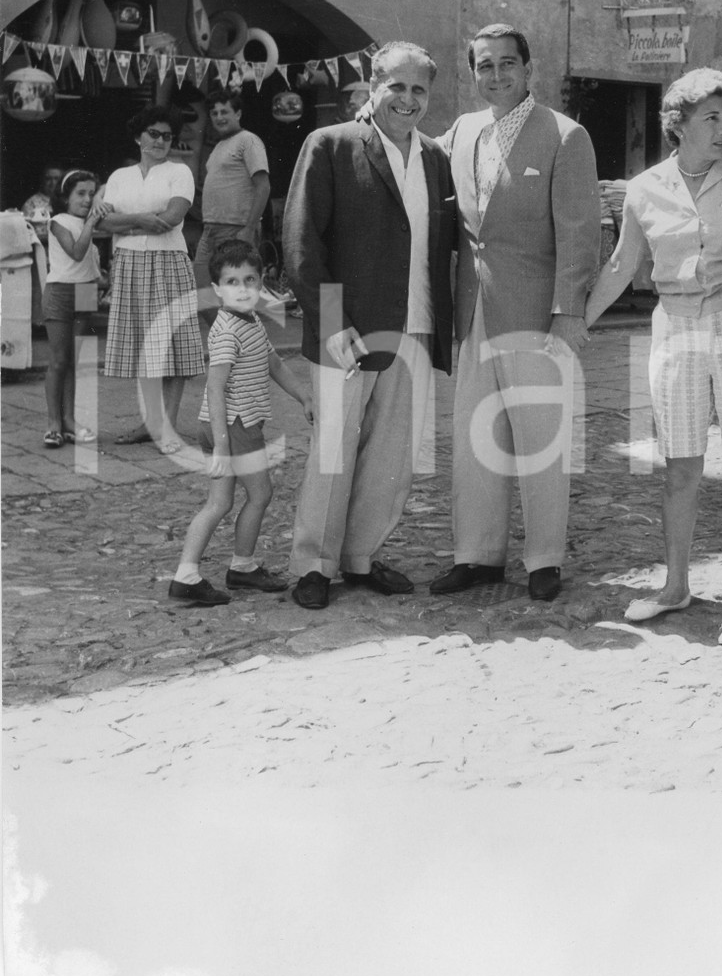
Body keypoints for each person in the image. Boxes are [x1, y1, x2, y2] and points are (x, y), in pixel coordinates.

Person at [584, 69, 722, 644]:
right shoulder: (645, 189)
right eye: (713, 119)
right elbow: (623, 265)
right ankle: (675, 586)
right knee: (680, 464)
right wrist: (574, 326)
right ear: (677, 126)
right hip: (673, 326)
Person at [428, 24, 601, 603]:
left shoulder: (564, 135)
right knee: (476, 436)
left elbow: (579, 234)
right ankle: (477, 555)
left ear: (528, 69)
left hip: (536, 313)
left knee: (538, 436)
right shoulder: (462, 131)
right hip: (474, 308)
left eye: (507, 64)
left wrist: (567, 312)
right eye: (484, 66)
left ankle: (544, 559)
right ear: (472, 73)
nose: (496, 75)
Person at [282, 41, 455, 610]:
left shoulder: (433, 156)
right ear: (372, 85)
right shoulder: (330, 146)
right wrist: (330, 321)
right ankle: (314, 563)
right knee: (333, 448)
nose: (408, 100)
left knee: (391, 454)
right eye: (397, 87)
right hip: (348, 332)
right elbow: (302, 242)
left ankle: (358, 557)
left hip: (415, 323)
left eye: (419, 90)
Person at [168, 239, 313, 607]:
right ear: (217, 289)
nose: (243, 288)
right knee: (260, 494)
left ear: (261, 282)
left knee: (219, 503)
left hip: (230, 426)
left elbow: (274, 364)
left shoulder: (249, 323)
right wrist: (221, 443)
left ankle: (190, 574)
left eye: (250, 280)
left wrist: (305, 396)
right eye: (232, 282)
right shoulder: (228, 331)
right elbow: (215, 389)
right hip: (232, 426)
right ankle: (241, 567)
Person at [98, 105, 204, 454]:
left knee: (172, 347)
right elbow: (101, 224)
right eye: (153, 134)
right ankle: (149, 423)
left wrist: (127, 221)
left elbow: (172, 218)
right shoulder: (119, 177)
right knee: (144, 350)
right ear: (138, 137)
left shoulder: (180, 171)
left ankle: (168, 428)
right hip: (129, 262)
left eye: (167, 136)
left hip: (168, 262)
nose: (160, 141)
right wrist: (144, 218)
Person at [41, 170, 109, 448]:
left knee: (75, 361)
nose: (87, 199)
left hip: (84, 292)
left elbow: (90, 267)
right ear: (65, 196)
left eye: (92, 193)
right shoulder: (57, 221)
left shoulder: (90, 223)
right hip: (60, 293)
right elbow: (76, 252)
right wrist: (93, 221)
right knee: (58, 360)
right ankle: (53, 423)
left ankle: (69, 420)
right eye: (80, 193)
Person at [193, 87, 270, 298]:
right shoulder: (218, 146)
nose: (219, 117)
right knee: (202, 292)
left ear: (238, 113)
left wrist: (249, 228)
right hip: (209, 229)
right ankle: (224, 332)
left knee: (237, 296)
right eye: (214, 113)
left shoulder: (249, 140)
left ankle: (240, 331)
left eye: (224, 112)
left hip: (236, 229)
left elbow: (263, 186)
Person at [21, 165, 65, 242]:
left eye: (57, 179)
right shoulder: (31, 203)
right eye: (48, 179)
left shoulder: (68, 201)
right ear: (42, 180)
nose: (53, 183)